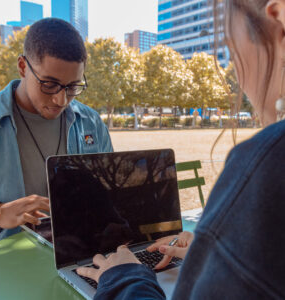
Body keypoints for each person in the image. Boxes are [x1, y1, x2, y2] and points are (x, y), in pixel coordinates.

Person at [77, 0, 285, 298]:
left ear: (279, 20)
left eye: (229, 44)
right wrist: (215, 254)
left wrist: (124, 278)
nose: (235, 73)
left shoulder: (266, 164)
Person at [0, 18, 113, 247]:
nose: (61, 99)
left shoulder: (92, 122)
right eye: (49, 84)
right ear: (23, 67)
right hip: (4, 261)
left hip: (82, 251)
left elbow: (107, 196)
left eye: (73, 87)